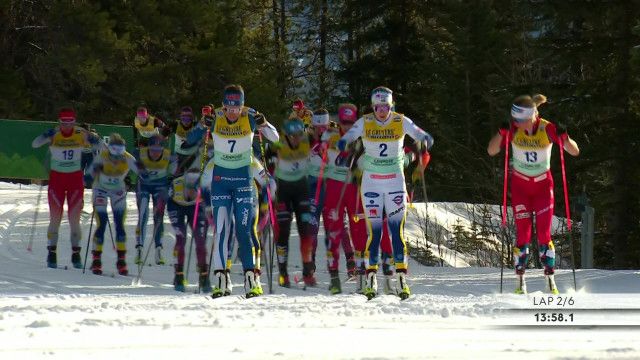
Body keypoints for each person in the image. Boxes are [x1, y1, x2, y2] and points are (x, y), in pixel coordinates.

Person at [338, 86, 434, 300]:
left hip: (395, 183)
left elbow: (421, 134)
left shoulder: (400, 121)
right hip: (371, 183)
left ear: (392, 106)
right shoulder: (365, 121)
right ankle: (371, 277)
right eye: (378, 107)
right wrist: (345, 143)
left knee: (396, 231)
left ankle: (401, 279)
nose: (382, 111)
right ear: (373, 107)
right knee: (375, 232)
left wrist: (425, 139)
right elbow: (351, 134)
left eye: (386, 106)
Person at [186, 85, 279, 298]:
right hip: (220, 181)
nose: (232, 112)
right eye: (228, 107)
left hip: (244, 181)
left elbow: (275, 138)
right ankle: (221, 279)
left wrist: (264, 123)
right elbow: (190, 141)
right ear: (224, 104)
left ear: (242, 105)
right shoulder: (215, 116)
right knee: (221, 230)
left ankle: (251, 280)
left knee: (244, 231)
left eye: (236, 107)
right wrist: (202, 125)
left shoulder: (251, 115)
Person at [487, 94, 579, 294]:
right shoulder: (512, 129)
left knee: (544, 235)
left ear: (531, 117)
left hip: (543, 187)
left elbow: (574, 151)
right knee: (523, 235)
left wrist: (565, 137)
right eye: (515, 120)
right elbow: (492, 150)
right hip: (520, 188)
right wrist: (501, 134)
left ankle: (550, 280)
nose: (517, 124)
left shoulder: (547, 128)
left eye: (520, 120)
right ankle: (520, 282)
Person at [31, 108, 102, 269]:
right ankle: (51, 253)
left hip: (74, 181)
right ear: (59, 122)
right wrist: (46, 134)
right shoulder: (55, 134)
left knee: (74, 220)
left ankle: (76, 254)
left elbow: (102, 147)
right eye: (64, 122)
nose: (67, 126)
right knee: (55, 219)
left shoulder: (80, 134)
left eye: (70, 122)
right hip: (57, 181)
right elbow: (35, 144)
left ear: (74, 122)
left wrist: (92, 137)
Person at [269, 119, 317, 288]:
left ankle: (307, 272)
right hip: (283, 191)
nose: (296, 139)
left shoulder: (308, 139)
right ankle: (283, 274)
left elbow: (323, 136)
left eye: (299, 135)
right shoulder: (279, 144)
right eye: (292, 136)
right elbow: (267, 156)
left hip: (301, 190)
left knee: (305, 231)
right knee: (282, 232)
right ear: (286, 135)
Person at [321, 103, 362, 294]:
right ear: (339, 121)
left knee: (357, 227)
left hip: (352, 186)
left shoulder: (360, 137)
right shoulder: (329, 135)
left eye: (351, 123)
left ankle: (359, 270)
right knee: (334, 230)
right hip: (334, 186)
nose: (347, 126)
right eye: (344, 122)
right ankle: (334, 275)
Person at [89, 133, 143, 275]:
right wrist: (95, 171)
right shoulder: (103, 156)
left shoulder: (128, 157)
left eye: (119, 156)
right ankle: (96, 259)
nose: (116, 159)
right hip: (100, 189)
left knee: (119, 224)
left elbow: (142, 172)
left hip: (118, 191)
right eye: (114, 156)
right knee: (102, 222)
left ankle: (121, 260)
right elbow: (89, 173)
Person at [167, 168, 210, 292]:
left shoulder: (205, 185)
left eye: (195, 189)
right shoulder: (176, 185)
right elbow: (167, 199)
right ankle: (179, 274)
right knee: (181, 238)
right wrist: (159, 208)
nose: (192, 191)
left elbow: (211, 202)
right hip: (176, 206)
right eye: (190, 188)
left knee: (200, 241)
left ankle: (204, 275)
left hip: (197, 206)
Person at [135, 135, 175, 265]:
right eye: (153, 149)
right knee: (143, 213)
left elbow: (178, 166)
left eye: (159, 150)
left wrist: (172, 181)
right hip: (144, 186)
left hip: (160, 187)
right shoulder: (140, 153)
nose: (155, 152)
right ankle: (139, 248)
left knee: (158, 217)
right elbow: (127, 160)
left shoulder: (168, 155)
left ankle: (158, 249)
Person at [168, 106, 199, 176]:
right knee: (176, 176)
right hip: (178, 156)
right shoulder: (175, 124)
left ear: (192, 118)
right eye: (184, 117)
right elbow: (164, 133)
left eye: (188, 117)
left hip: (192, 156)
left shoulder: (196, 125)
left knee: (192, 177)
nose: (186, 120)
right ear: (180, 117)